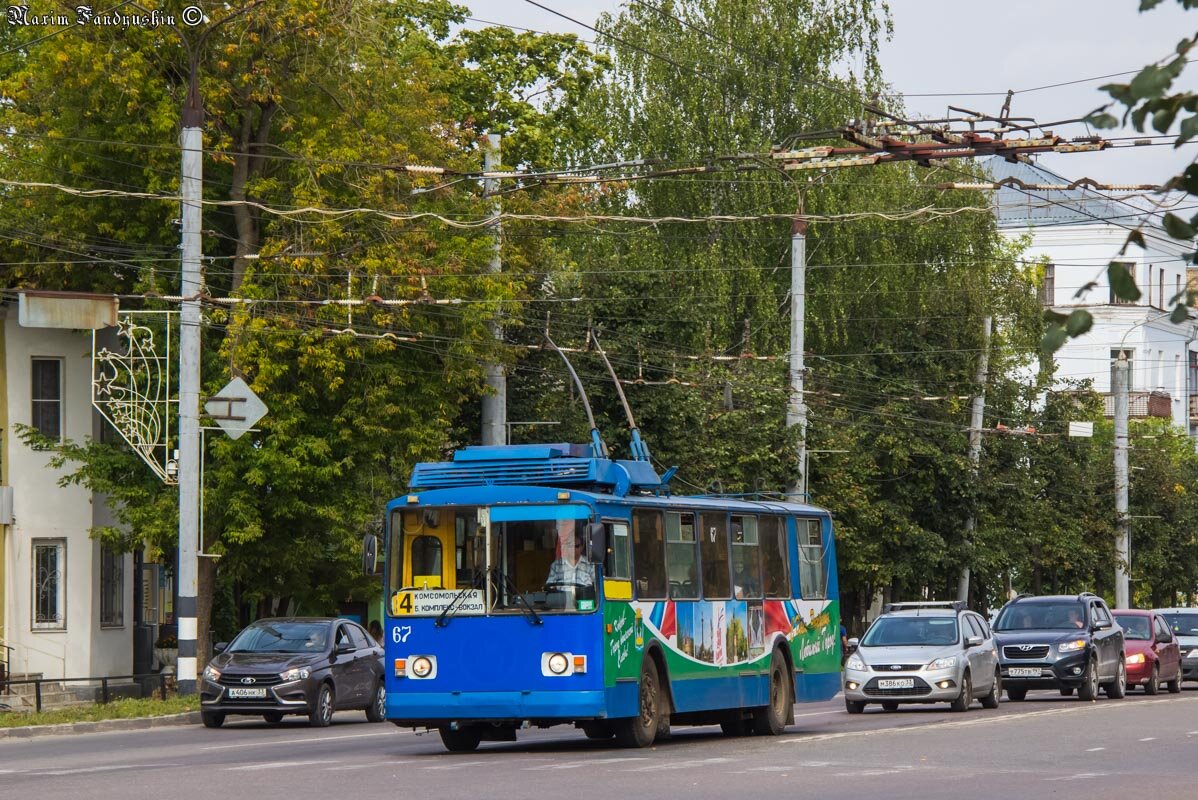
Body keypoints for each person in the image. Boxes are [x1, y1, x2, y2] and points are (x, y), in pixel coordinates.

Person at [545, 519, 595, 588]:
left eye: (576, 546)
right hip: (562, 598)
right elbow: (549, 587)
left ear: (582, 546)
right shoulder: (556, 565)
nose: (573, 549)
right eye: (570, 545)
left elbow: (597, 586)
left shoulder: (590, 565)